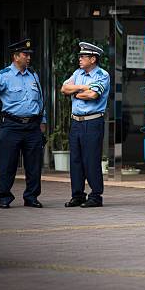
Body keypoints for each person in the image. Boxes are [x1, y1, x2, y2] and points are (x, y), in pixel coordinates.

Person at [0, 39, 46, 209]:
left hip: (32, 127)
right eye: (25, 54)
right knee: (8, 165)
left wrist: (42, 122)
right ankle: (5, 197)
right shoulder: (3, 75)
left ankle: (31, 197)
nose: (28, 58)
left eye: (29, 55)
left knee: (34, 166)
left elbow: (40, 101)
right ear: (16, 57)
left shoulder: (33, 75)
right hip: (12, 126)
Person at [60, 42, 110, 208]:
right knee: (76, 160)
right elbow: (64, 89)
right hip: (76, 122)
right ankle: (78, 195)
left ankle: (95, 196)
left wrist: (77, 92)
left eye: (83, 56)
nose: (80, 59)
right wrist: (81, 87)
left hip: (92, 122)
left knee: (91, 160)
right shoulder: (78, 73)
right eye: (80, 56)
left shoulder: (102, 75)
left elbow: (92, 95)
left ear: (93, 59)